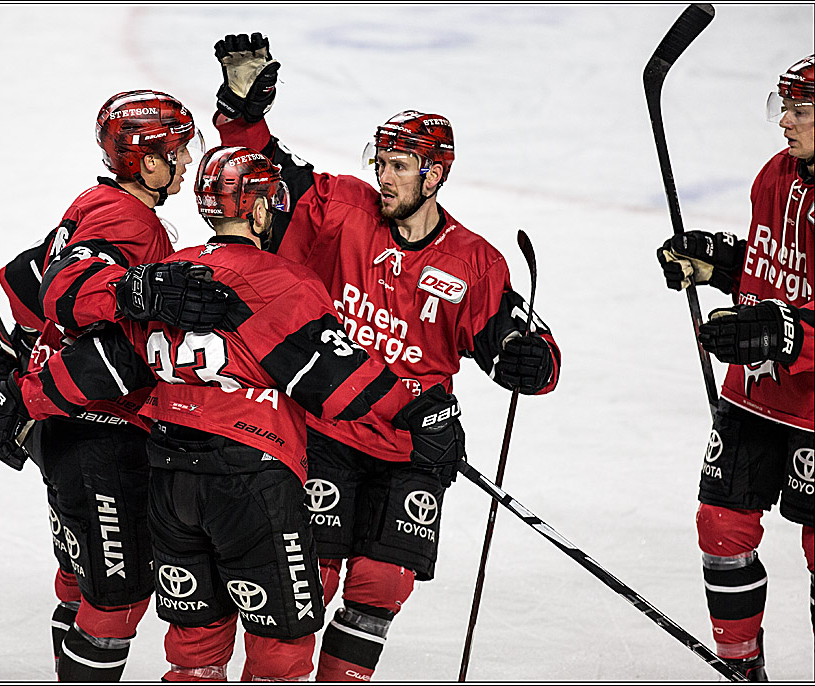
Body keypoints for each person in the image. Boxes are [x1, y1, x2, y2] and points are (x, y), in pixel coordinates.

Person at [0, 145, 468, 681]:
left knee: (195, 647)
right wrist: (423, 415)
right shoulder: (283, 282)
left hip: (169, 485)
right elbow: (338, 384)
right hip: (252, 484)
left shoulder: (168, 275)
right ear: (261, 210)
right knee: (279, 651)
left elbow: (104, 364)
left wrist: (20, 397)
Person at [208, 33, 562, 681]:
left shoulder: (473, 260)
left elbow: (522, 344)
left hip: (412, 447)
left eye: (401, 165)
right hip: (324, 431)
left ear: (435, 174)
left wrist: (526, 358)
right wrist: (241, 109)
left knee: (379, 586)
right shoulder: (341, 209)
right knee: (306, 574)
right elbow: (267, 173)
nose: (385, 175)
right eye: (384, 161)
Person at [0, 89, 231, 681]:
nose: (185, 157)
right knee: (117, 600)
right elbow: (63, 290)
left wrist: (24, 358)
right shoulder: (130, 219)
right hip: (101, 436)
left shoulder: (93, 202)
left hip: (61, 427)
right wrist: (132, 292)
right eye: (177, 146)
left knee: (81, 580)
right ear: (148, 161)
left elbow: (21, 277)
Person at [656, 54, 815, 681]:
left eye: (801, 110)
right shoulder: (773, 177)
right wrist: (716, 264)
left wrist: (782, 332)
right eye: (785, 108)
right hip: (754, 392)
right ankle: (743, 670)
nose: (785, 122)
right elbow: (776, 270)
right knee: (721, 526)